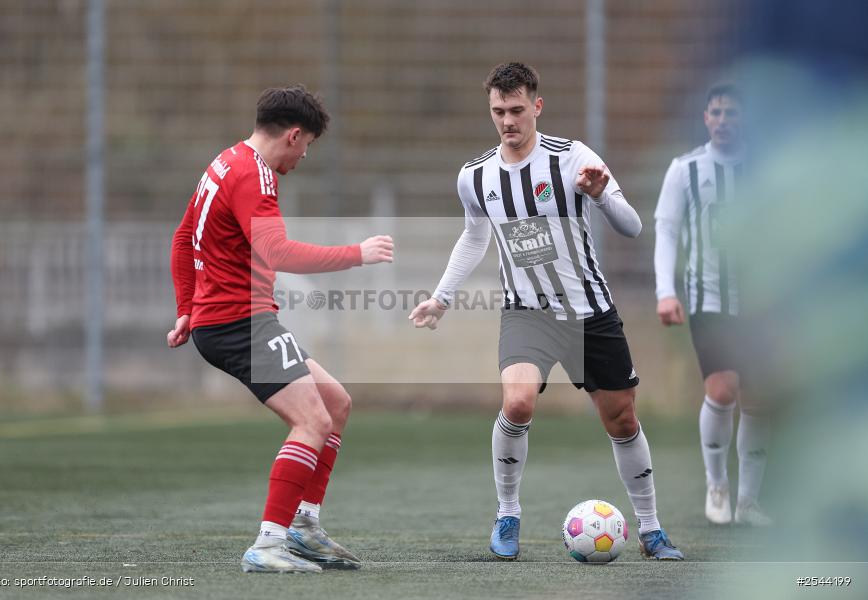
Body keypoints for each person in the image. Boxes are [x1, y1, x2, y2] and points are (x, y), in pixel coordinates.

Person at [409, 62, 683, 561]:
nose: (507, 120)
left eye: (516, 110)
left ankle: (651, 529)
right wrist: (442, 297)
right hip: (527, 313)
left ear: (537, 106)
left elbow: (633, 226)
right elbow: (473, 237)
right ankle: (507, 513)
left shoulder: (573, 157)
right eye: (498, 111)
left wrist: (600, 197)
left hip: (589, 311)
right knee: (517, 403)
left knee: (622, 419)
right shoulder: (475, 176)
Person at [167, 85, 394, 573]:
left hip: (230, 319)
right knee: (312, 421)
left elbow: (183, 238)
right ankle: (269, 543)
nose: (305, 155)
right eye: (307, 144)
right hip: (239, 321)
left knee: (335, 403)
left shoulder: (225, 161)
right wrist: (357, 254)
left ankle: (303, 526)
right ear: (293, 135)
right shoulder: (255, 176)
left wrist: (187, 307)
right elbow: (278, 253)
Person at [653, 84, 771, 526]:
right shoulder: (685, 169)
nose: (723, 120)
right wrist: (665, 292)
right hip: (709, 297)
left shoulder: (766, 166)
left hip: (761, 301)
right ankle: (717, 484)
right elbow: (666, 231)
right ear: (705, 118)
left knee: (759, 401)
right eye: (716, 112)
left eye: (732, 113)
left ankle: (749, 502)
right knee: (722, 391)